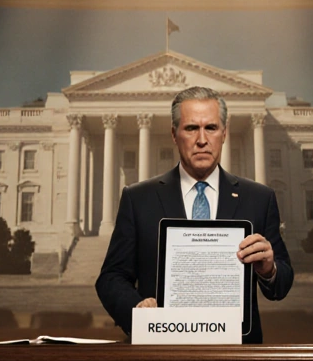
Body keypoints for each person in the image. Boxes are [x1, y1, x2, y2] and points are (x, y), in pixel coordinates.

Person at [95, 86, 293, 343]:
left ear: (224, 133)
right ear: (174, 134)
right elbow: (110, 278)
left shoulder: (258, 199)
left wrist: (269, 270)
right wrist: (138, 310)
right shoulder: (139, 199)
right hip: (161, 352)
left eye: (211, 128)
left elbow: (282, 282)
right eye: (191, 128)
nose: (202, 139)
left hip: (237, 354)